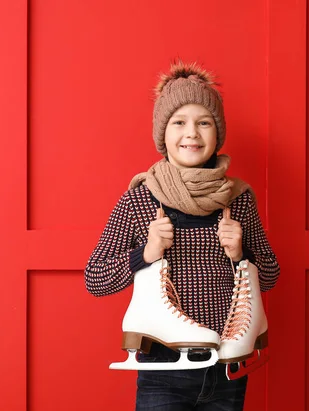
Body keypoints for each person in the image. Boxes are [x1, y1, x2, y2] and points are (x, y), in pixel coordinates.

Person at [84, 60, 280, 411]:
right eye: (179, 123)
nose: (192, 133)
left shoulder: (238, 198)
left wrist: (241, 253)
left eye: (204, 123)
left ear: (217, 134)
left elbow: (270, 276)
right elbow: (95, 279)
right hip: (163, 370)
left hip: (226, 367)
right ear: (163, 134)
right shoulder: (140, 198)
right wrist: (146, 252)